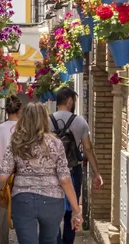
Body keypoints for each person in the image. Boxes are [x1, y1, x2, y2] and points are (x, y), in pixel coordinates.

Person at [0, 102, 83, 244]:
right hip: (52, 202)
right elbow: (65, 179)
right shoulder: (56, 143)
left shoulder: (16, 141)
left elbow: (2, 176)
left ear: (24, 118)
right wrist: (76, 210)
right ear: (45, 119)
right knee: (49, 240)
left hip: (23, 200)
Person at [50, 87, 103, 244]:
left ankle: (56, 240)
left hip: (51, 173)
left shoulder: (47, 120)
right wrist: (97, 173)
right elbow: (88, 148)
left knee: (53, 211)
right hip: (73, 172)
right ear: (70, 101)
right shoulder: (80, 121)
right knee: (72, 209)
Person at [0, 96, 22, 243]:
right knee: (22, 212)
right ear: (20, 110)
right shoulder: (25, 128)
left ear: (6, 110)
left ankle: (4, 241)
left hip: (3, 177)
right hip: (22, 177)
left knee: (3, 214)